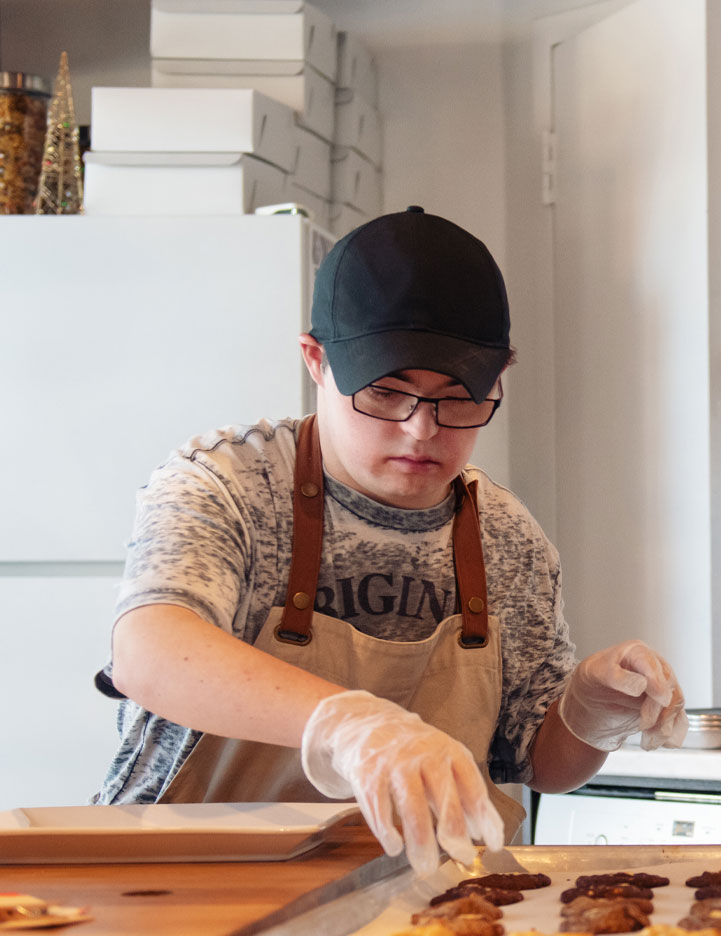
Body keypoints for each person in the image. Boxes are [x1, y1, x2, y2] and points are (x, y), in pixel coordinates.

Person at [95, 206, 687, 875]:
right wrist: (348, 724)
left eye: (459, 398)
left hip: (418, 904)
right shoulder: (229, 482)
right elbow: (148, 652)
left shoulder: (503, 535)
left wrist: (589, 707)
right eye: (386, 393)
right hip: (191, 883)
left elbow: (541, 762)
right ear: (316, 362)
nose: (420, 431)